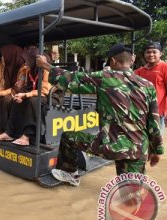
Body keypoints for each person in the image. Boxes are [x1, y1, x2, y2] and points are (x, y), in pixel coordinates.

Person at [36, 43, 164, 186]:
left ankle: (69, 174)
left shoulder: (104, 78)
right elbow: (154, 122)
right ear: (132, 60)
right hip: (138, 148)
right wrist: (157, 150)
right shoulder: (148, 85)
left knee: (68, 136)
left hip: (110, 145)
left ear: (113, 61)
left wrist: (45, 65)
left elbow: (71, 78)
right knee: (132, 196)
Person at [0, 47, 51, 145]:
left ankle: (27, 136)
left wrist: (26, 95)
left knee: (32, 101)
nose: (26, 63)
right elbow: (27, 86)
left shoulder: (45, 71)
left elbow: (44, 91)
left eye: (28, 61)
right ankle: (9, 133)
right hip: (35, 94)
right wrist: (21, 95)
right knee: (16, 100)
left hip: (50, 96)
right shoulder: (28, 70)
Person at [135, 41, 167, 134]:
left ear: (160, 53)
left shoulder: (164, 67)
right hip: (142, 111)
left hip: (158, 112)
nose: (151, 54)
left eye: (154, 52)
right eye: (148, 52)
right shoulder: (140, 71)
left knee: (156, 139)